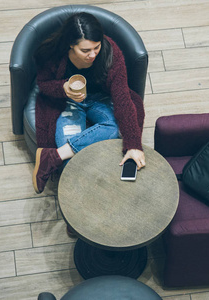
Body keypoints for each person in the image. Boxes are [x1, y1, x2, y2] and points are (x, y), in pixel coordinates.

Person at [32, 12, 146, 194]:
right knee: (71, 161)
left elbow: (122, 98)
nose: (92, 54)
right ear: (71, 44)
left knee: (114, 128)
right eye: (85, 50)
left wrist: (133, 144)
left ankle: (53, 156)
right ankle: (83, 195)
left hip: (101, 99)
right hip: (69, 102)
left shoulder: (111, 53)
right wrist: (63, 88)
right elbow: (43, 85)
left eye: (96, 47)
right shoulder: (52, 54)